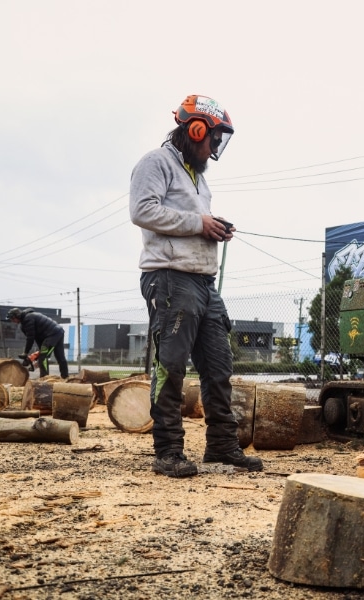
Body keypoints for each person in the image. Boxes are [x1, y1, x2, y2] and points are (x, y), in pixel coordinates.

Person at [129, 94, 263, 478]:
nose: (215, 147)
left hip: (204, 282)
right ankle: (168, 451)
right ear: (196, 129)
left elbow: (189, 220)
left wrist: (214, 227)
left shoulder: (199, 178)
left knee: (218, 367)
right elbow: (142, 210)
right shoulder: (156, 163)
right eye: (214, 139)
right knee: (170, 366)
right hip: (170, 278)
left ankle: (222, 446)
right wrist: (199, 224)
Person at [6, 307, 70, 379]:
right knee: (60, 357)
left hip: (52, 334)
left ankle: (44, 378)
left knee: (43, 357)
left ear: (17, 316)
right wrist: (40, 351)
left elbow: (30, 338)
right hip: (58, 332)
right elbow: (37, 338)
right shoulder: (26, 320)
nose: (12, 321)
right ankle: (65, 376)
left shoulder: (28, 319)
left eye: (12, 318)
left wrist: (25, 353)